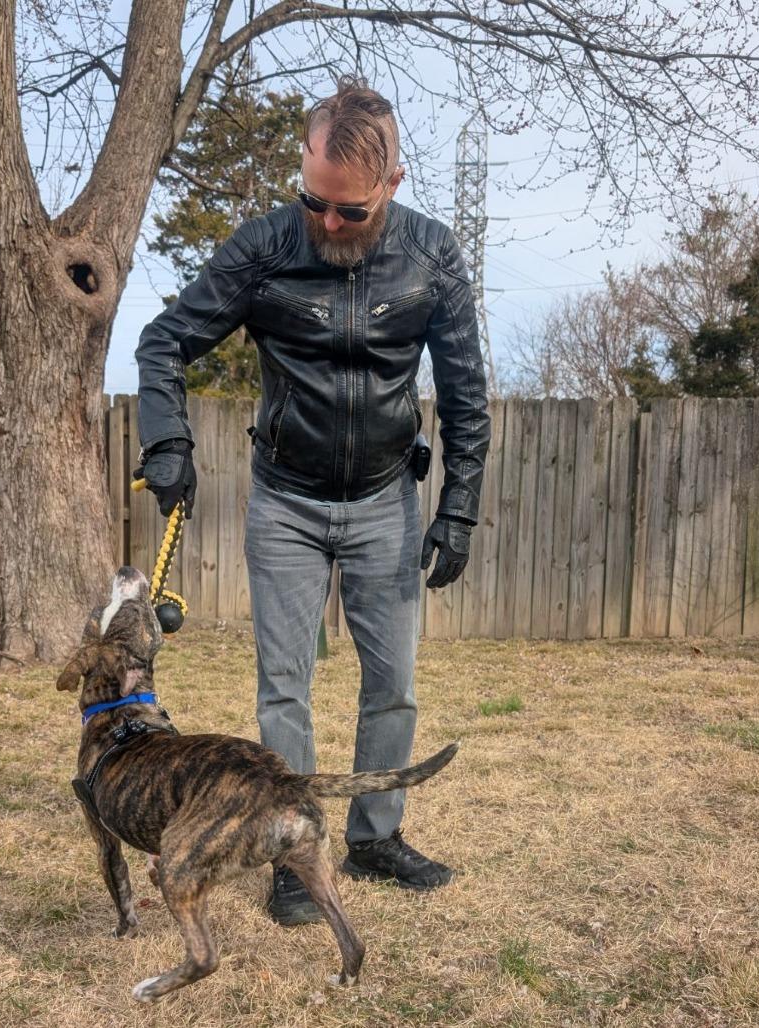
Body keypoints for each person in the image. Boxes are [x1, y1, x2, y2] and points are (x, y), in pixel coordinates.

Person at [135, 77, 491, 926]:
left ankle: (375, 839)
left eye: (351, 212)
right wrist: (167, 442)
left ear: (392, 187)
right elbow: (163, 343)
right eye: (314, 203)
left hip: (384, 502)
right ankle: (294, 856)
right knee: (284, 688)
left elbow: (469, 394)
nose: (328, 225)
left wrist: (460, 505)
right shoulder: (263, 248)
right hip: (286, 502)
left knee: (394, 683)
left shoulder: (434, 257)